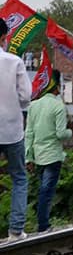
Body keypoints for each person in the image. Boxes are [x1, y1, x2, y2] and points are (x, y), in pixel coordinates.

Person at [25, 69, 72, 233]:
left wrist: (28, 157)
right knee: (47, 190)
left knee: (43, 189)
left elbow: (29, 133)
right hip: (53, 155)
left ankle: (42, 222)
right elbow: (61, 134)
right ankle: (43, 224)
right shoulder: (58, 106)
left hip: (38, 156)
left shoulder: (34, 106)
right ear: (57, 86)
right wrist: (70, 131)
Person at [0, 19, 30, 242]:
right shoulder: (14, 62)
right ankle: (15, 231)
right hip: (12, 129)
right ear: (4, 37)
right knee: (19, 178)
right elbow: (25, 96)